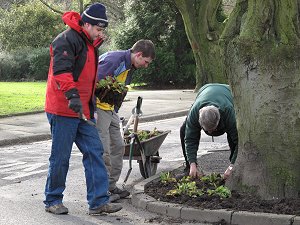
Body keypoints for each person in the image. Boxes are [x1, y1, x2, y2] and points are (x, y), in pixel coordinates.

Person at [44, 3, 122, 215]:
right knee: (60, 157)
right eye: (98, 29)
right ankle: (52, 200)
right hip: (63, 109)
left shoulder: (88, 43)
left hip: (83, 110)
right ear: (86, 24)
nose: (100, 33)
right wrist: (72, 96)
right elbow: (61, 72)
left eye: (102, 29)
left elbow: (86, 75)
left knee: (95, 151)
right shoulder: (65, 40)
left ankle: (98, 202)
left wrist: (89, 104)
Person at [95, 40, 155, 199]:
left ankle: (111, 186)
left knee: (118, 147)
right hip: (99, 109)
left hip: (110, 110)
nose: (146, 65)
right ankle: (102, 191)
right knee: (104, 151)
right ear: (139, 55)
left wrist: (115, 111)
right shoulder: (115, 60)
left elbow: (119, 90)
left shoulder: (129, 66)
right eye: (146, 62)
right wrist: (92, 110)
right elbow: (93, 82)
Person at [179, 83, 238, 179]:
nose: (210, 133)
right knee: (183, 130)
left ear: (219, 120)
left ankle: (234, 170)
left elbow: (239, 142)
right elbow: (190, 139)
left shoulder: (228, 111)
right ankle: (189, 168)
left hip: (227, 93)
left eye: (213, 130)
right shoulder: (195, 112)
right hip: (205, 90)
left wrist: (232, 166)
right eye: (206, 130)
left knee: (233, 137)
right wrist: (192, 163)